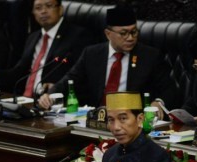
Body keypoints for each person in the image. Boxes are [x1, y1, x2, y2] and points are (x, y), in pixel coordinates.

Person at [39, 5, 182, 120]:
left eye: (134, 32)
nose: (130, 38)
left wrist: (158, 102)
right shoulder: (92, 54)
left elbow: (169, 90)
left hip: (132, 121)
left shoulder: (149, 55)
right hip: (98, 119)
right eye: (123, 33)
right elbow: (70, 80)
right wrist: (50, 95)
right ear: (108, 34)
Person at [0, 0, 94, 96]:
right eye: (38, 8)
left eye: (48, 6)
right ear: (33, 13)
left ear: (60, 9)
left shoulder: (79, 36)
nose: (43, 11)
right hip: (24, 99)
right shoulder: (33, 37)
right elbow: (19, 71)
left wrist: (58, 87)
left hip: (52, 100)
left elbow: (80, 75)